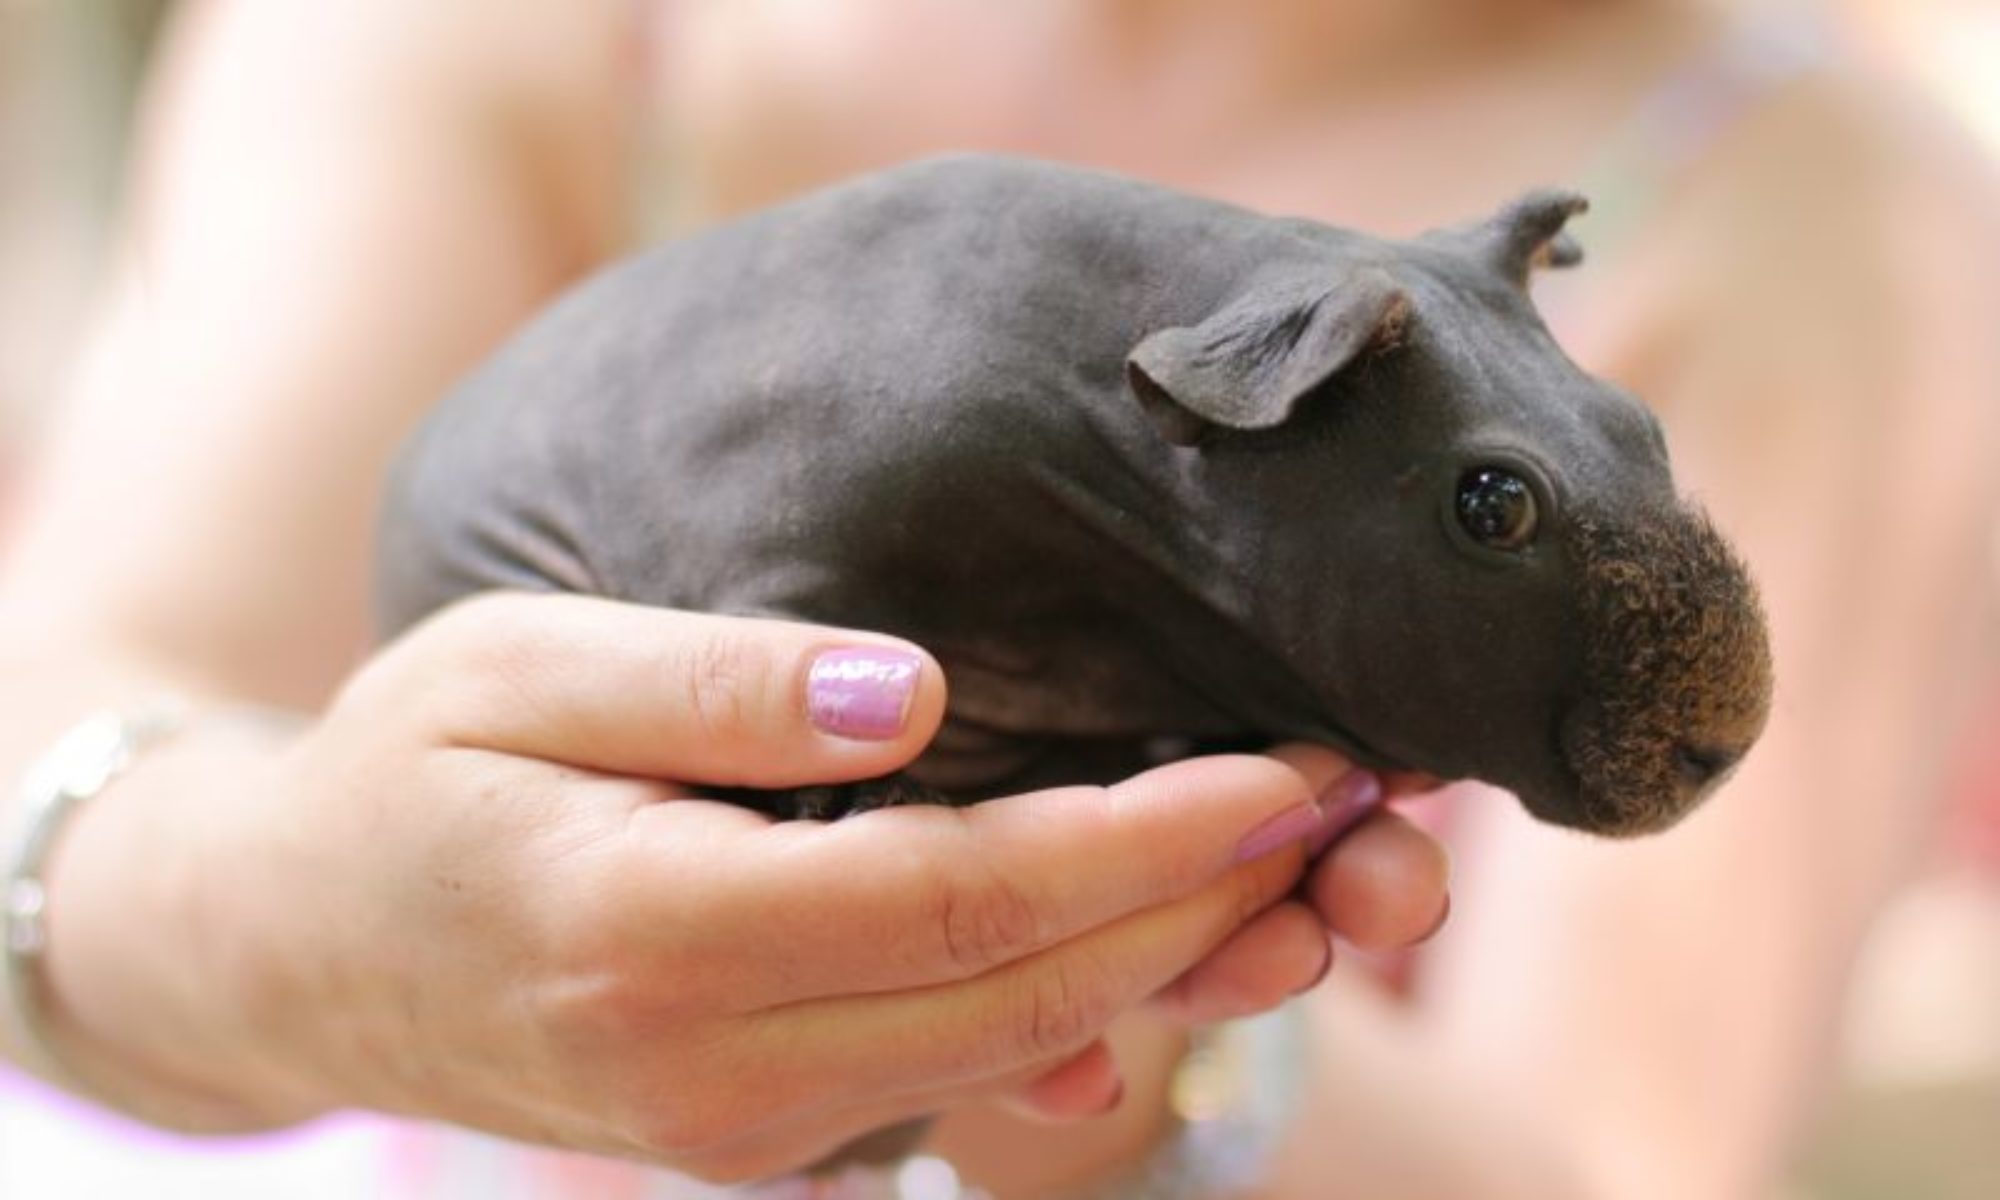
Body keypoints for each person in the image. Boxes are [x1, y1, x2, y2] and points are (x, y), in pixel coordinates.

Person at [6, 0, 1998, 1197]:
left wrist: (1130, 1028)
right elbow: (81, 713)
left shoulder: (1825, 224)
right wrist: (331, 934)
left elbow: (1601, 1166)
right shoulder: (491, 32)